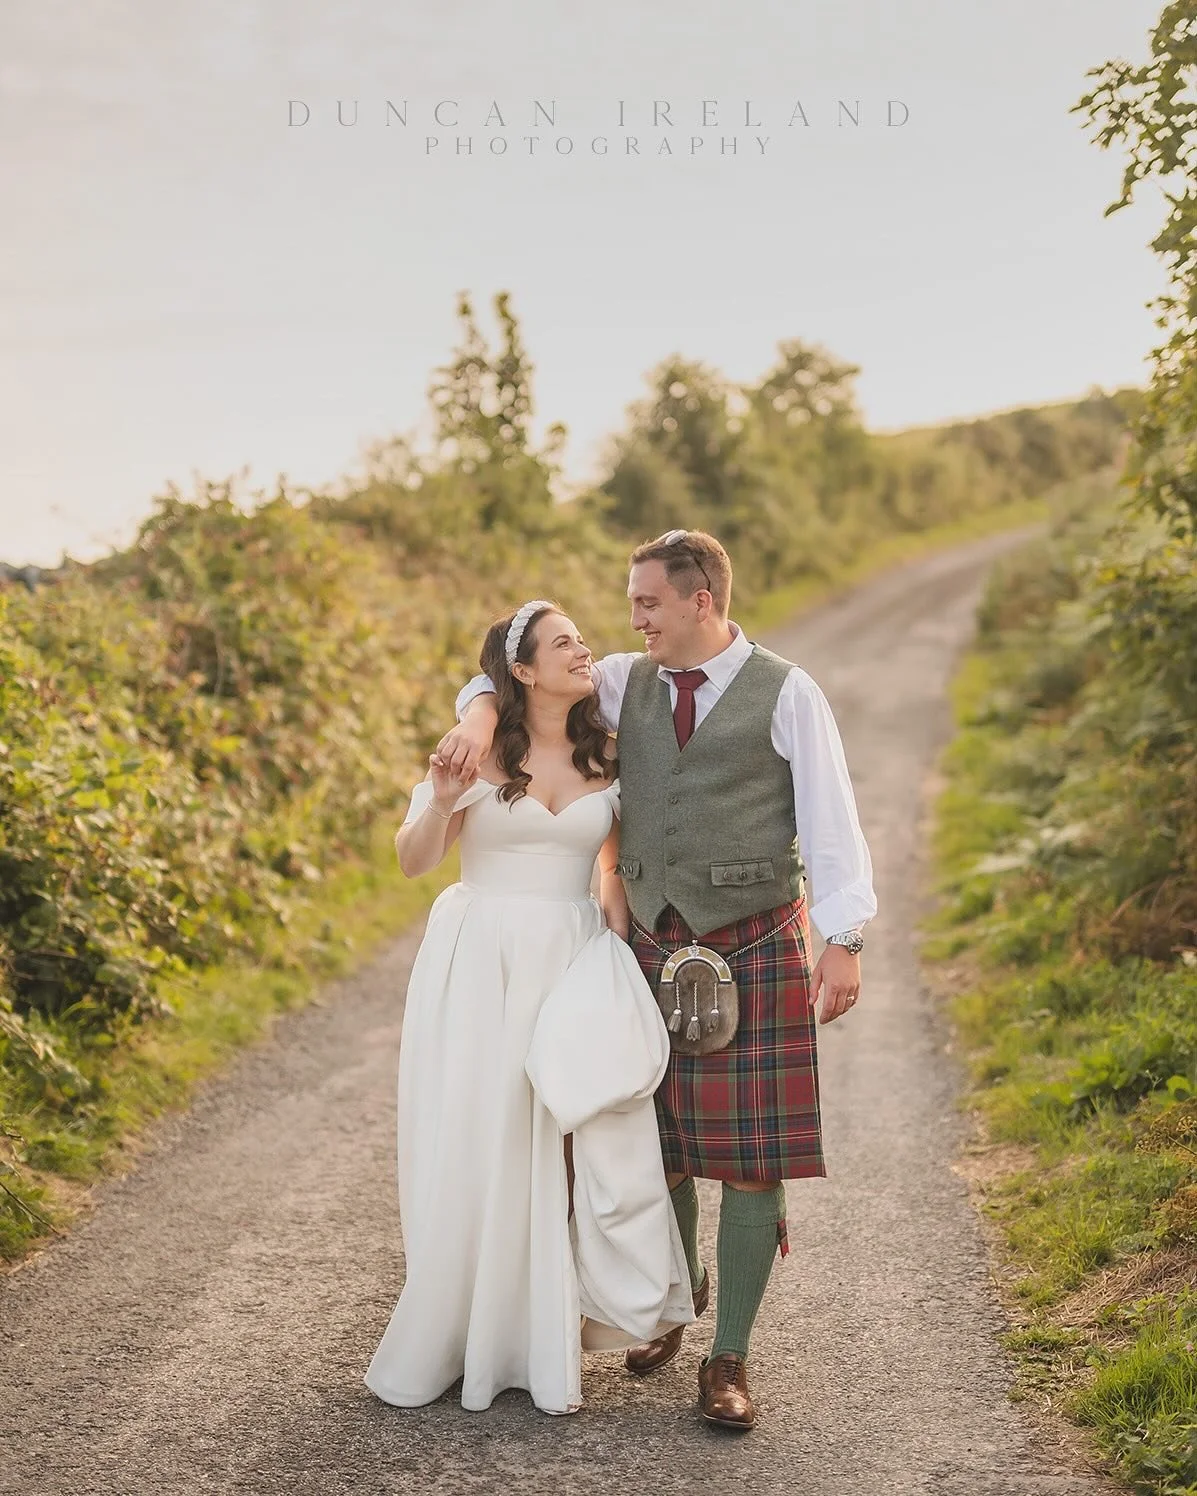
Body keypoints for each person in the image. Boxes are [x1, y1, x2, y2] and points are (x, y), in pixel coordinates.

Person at [438, 530, 877, 1432]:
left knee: (752, 1166)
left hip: (752, 941)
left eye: (646, 603)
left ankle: (729, 1358)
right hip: (645, 945)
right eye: (630, 602)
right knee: (660, 1145)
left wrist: (845, 937)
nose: (630, 618)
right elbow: (503, 671)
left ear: (699, 600)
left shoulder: (787, 691)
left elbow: (832, 819)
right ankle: (668, 1302)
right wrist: (477, 718)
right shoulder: (621, 682)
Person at [364, 600, 694, 1419]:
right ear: (521, 671)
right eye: (562, 644)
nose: (584, 650)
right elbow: (413, 862)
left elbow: (610, 851)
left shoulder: (606, 751)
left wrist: (613, 914)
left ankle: (565, 1327)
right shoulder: (474, 752)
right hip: (481, 960)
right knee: (489, 1139)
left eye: (582, 638)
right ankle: (475, 1333)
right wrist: (441, 798)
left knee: (576, 1142)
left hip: (573, 955)